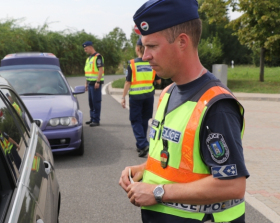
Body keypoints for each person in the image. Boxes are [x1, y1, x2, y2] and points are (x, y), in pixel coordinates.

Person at [119, 1, 249, 222]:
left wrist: (158, 192)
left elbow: (233, 184)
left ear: (182, 42)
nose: (144, 56)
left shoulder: (216, 105)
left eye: (152, 46)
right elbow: (175, 163)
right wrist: (144, 169)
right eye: (144, 46)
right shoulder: (168, 93)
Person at [121, 36, 161, 157]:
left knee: (135, 120)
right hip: (149, 96)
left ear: (138, 49)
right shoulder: (152, 63)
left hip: (136, 97)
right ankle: (141, 145)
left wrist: (123, 97)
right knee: (144, 119)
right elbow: (158, 82)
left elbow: (128, 82)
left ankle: (143, 144)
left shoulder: (132, 64)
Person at [83, 41, 104, 127]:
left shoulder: (98, 57)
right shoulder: (88, 58)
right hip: (90, 83)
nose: (85, 50)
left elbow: (100, 69)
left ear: (90, 47)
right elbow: (87, 72)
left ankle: (96, 120)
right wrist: (86, 83)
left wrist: (98, 81)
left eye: (86, 48)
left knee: (96, 102)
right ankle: (92, 118)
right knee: (91, 102)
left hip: (96, 84)